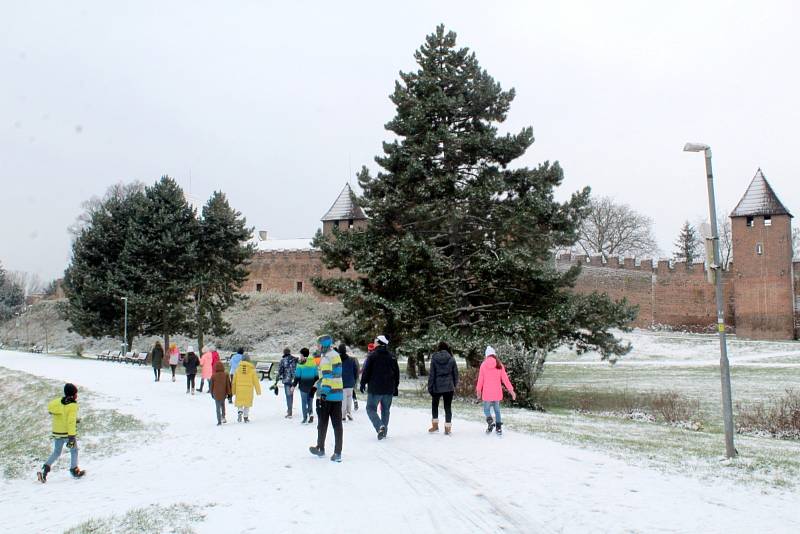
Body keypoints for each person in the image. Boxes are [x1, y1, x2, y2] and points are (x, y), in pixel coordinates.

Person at [37, 383, 85, 482]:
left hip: (57, 433)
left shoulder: (57, 402)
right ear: (73, 394)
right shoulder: (72, 406)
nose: (77, 395)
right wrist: (71, 437)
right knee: (74, 450)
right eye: (76, 393)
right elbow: (70, 422)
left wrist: (75, 419)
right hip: (67, 434)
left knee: (57, 452)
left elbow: (55, 410)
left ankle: (44, 470)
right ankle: (74, 469)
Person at [308, 335, 344, 462]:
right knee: (337, 425)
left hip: (328, 396)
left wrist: (324, 392)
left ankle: (320, 448)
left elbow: (327, 376)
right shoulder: (335, 355)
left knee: (322, 423)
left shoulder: (325, 358)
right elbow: (336, 373)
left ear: (323, 345)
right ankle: (338, 452)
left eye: (318, 344)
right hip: (338, 395)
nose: (317, 346)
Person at [360, 335, 399, 440]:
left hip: (375, 388)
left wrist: (363, 383)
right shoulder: (392, 356)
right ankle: (384, 431)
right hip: (389, 388)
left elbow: (366, 371)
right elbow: (397, 373)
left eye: (375, 341)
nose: (374, 343)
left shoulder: (372, 356)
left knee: (370, 408)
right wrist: (395, 387)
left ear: (379, 342)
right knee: (386, 410)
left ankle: (379, 426)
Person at [476, 346, 516, 435]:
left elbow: (480, 380)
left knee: (486, 410)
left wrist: (479, 391)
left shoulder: (483, 365)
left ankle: (490, 423)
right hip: (497, 393)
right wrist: (511, 391)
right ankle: (498, 428)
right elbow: (505, 380)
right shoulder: (499, 365)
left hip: (487, 393)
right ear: (494, 355)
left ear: (486, 355)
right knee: (497, 410)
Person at [427, 341, 459, 435]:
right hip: (449, 386)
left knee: (434, 405)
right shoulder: (451, 359)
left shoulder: (434, 358)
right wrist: (454, 384)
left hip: (437, 385)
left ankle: (435, 426)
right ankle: (448, 428)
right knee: (447, 407)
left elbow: (432, 374)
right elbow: (455, 374)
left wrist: (430, 386)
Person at [232, 354, 261, 422]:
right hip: (248, 389)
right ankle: (245, 417)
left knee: (240, 402)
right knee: (247, 404)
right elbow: (256, 381)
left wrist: (233, 390)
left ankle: (240, 411)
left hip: (239, 388)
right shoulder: (252, 370)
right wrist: (258, 391)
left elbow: (234, 381)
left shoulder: (237, 369)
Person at [293, 347, 317, 424]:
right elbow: (317, 376)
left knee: (304, 402)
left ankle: (305, 418)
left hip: (303, 386)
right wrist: (315, 385)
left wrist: (293, 386)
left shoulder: (300, 364)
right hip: (312, 386)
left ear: (303, 355)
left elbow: (297, 377)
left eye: (300, 355)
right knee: (310, 401)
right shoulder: (314, 362)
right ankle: (311, 414)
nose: (300, 356)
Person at [339, 343, 360, 421]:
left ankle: (343, 416)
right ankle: (349, 412)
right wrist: (354, 379)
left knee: (343, 400)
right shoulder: (351, 359)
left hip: (342, 382)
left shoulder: (338, 360)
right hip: (351, 382)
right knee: (349, 398)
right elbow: (355, 370)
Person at [277, 348, 299, 418]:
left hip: (286, 380)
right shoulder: (295, 360)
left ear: (284, 353)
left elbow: (280, 371)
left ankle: (289, 412)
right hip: (294, 380)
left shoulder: (283, 360)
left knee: (288, 396)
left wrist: (278, 376)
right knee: (291, 395)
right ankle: (289, 409)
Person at [210, 361, 232, 425]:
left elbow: (211, 385)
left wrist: (211, 393)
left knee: (217, 407)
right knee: (223, 405)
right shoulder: (226, 375)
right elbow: (228, 385)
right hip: (223, 394)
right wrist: (229, 393)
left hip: (216, 394)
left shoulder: (213, 376)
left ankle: (219, 421)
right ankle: (223, 417)